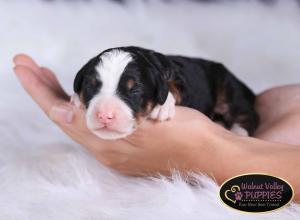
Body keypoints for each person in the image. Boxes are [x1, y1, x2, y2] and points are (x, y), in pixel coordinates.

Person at [13, 54, 300, 201]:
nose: (104, 113)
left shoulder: (170, 83)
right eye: (92, 88)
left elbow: (264, 195)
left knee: (234, 103)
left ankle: (237, 122)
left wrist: (220, 153)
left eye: (132, 91)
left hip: (216, 86)